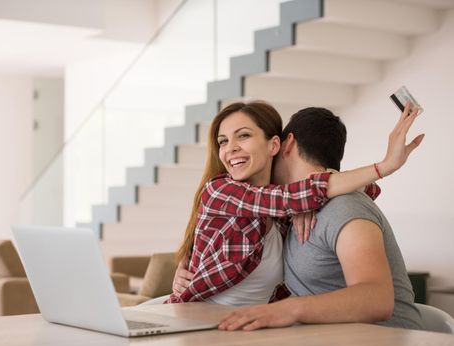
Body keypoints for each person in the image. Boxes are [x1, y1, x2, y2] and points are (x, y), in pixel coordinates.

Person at [167, 100, 421, 307]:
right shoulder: (220, 190)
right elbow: (292, 197)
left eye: (242, 136)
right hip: (197, 317)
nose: (230, 148)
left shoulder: (287, 212)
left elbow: (369, 188)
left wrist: (310, 198)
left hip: (245, 329)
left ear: (278, 144)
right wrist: (384, 166)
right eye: (222, 141)